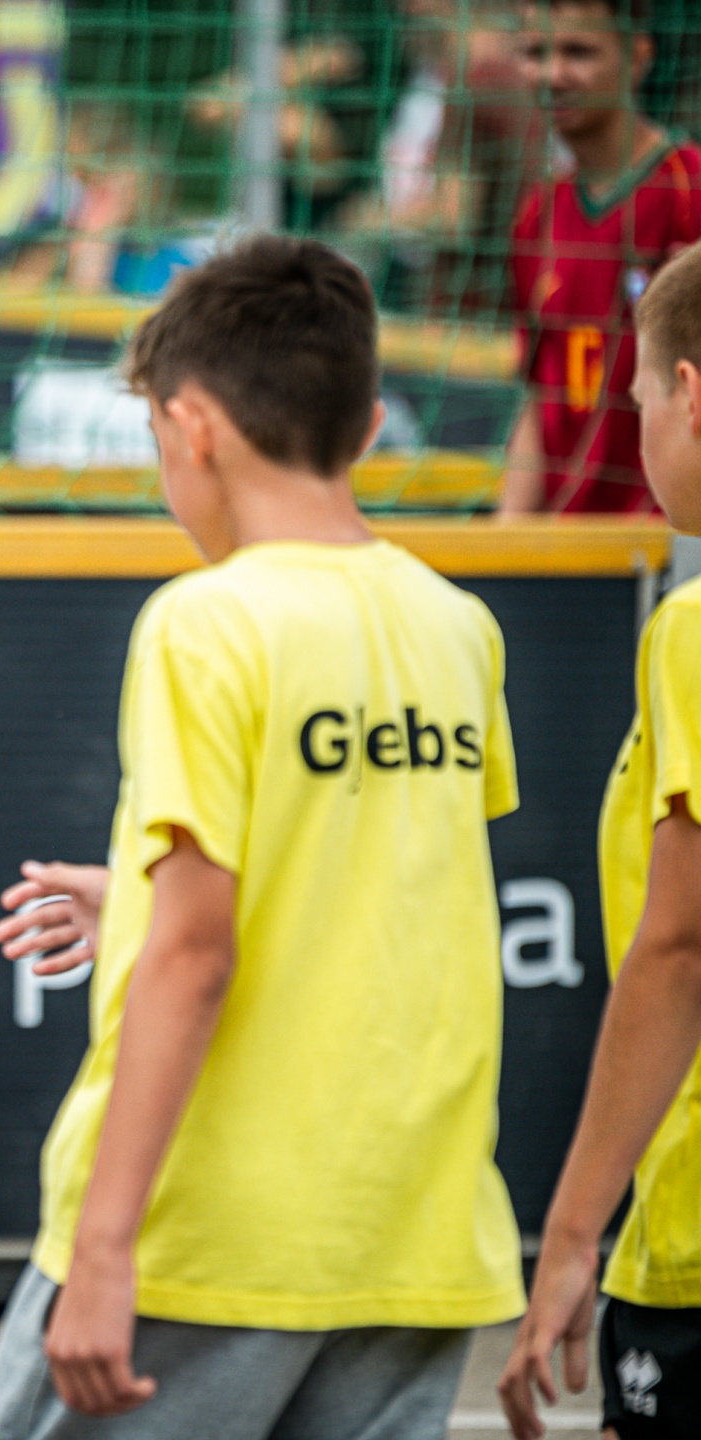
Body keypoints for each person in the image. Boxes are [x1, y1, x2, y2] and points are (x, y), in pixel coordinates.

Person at [0, 237, 525, 1438]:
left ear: (192, 427)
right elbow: (388, 892)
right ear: (367, 426)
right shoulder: (457, 627)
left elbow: (197, 954)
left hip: (209, 1235)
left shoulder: (208, 623)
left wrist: (105, 1249)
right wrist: (140, 899)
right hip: (412, 1235)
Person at [498, 241, 701, 1440]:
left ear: (693, 396)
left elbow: (677, 952)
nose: (638, 435)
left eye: (637, 404)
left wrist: (574, 1232)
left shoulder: (692, 632)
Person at [500, 0, 701, 515]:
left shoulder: (688, 191)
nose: (553, 75)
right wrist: (508, 536)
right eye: (535, 53)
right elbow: (539, 399)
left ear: (638, 56)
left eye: (578, 52)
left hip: (667, 539)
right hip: (567, 543)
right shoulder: (537, 214)